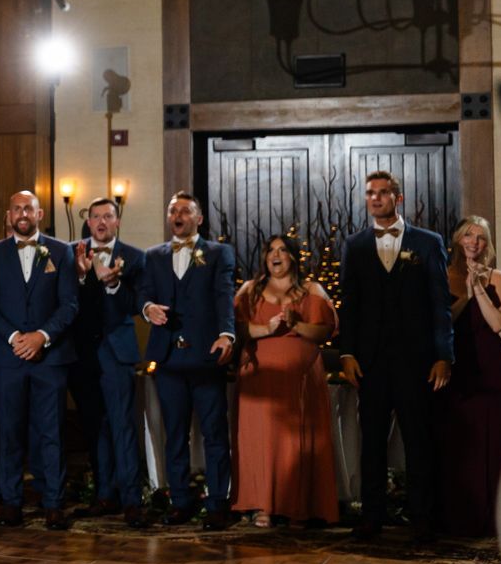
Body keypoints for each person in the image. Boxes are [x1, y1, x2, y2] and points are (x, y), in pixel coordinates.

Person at [336, 170, 454, 542]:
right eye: (370, 193)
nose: (375, 198)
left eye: (383, 193)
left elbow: (440, 304)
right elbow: (349, 305)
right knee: (371, 441)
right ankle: (372, 516)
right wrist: (347, 353)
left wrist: (443, 355)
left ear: (397, 198)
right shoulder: (354, 246)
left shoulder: (427, 242)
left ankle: (422, 517)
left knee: (419, 440)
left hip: (416, 360)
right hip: (369, 362)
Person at [0, 190, 77, 529]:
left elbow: (70, 305)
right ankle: (12, 502)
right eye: (16, 208)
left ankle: (53, 504)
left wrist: (41, 337)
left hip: (51, 358)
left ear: (40, 213)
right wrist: (15, 338)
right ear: (8, 215)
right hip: (7, 357)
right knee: (10, 432)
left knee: (52, 433)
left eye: (28, 209)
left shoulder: (62, 252)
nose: (22, 214)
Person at [138, 192, 238, 530]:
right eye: (173, 210)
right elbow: (143, 292)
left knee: (213, 433)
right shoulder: (153, 256)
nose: (178, 215)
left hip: (205, 356)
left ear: (199, 219)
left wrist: (227, 334)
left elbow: (225, 296)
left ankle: (217, 503)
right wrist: (147, 308)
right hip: (168, 359)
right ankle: (180, 501)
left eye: (186, 210)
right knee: (175, 434)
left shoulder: (218, 253)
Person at [232, 235, 337, 527]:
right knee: (261, 441)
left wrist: (296, 325)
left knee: (296, 443)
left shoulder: (312, 290)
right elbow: (236, 330)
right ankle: (262, 504)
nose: (275, 255)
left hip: (300, 381)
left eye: (282, 250)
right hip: (259, 379)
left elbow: (325, 332)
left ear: (293, 257)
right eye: (270, 250)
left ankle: (298, 507)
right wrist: (267, 328)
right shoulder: (250, 290)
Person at [436, 217, 501, 536]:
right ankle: (459, 513)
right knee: (459, 440)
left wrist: (479, 287)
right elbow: (443, 321)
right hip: (456, 363)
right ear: (458, 240)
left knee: (492, 439)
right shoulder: (442, 275)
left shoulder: (499, 277)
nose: (474, 242)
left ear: (487, 244)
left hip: (490, 364)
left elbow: (496, 324)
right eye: (468, 235)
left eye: (480, 237)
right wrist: (464, 290)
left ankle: (495, 516)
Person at [67, 197, 149, 526]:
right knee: (94, 427)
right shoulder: (70, 254)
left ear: (117, 222)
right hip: (81, 354)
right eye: (96, 216)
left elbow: (137, 303)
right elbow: (65, 299)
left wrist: (114, 283)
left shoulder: (135, 257)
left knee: (121, 426)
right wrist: (85, 278)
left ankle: (131, 499)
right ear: (88, 222)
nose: (101, 222)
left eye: (108, 216)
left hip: (117, 352)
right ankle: (104, 495)